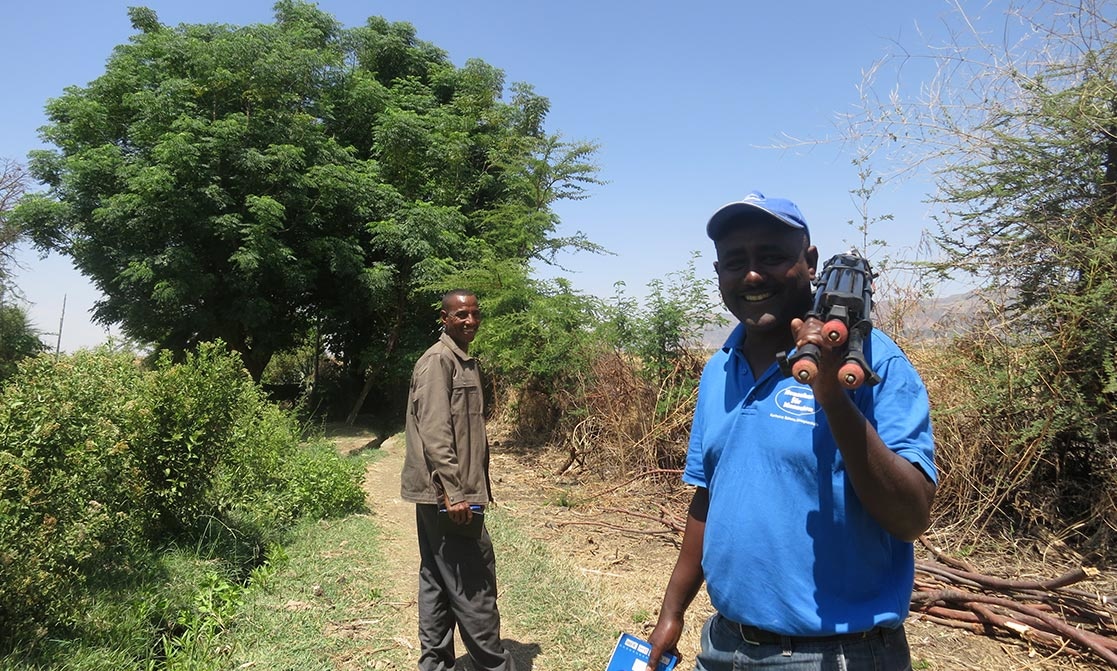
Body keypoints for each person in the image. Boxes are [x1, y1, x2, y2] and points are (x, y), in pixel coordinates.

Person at [646, 192, 937, 671]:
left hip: (836, 654)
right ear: (719, 273)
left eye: (772, 257)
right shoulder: (719, 369)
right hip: (723, 645)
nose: (753, 274)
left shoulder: (873, 365)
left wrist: (831, 394)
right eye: (735, 261)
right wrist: (671, 613)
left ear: (810, 262)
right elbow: (708, 497)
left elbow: (910, 518)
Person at [400, 289, 515, 671]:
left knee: (436, 579)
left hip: (447, 496)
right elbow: (435, 432)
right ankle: (493, 665)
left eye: (474, 314)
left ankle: (435, 665)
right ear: (444, 318)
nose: (470, 321)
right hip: (451, 498)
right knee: (473, 583)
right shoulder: (438, 362)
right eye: (461, 315)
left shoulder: (460, 360)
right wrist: (454, 491)